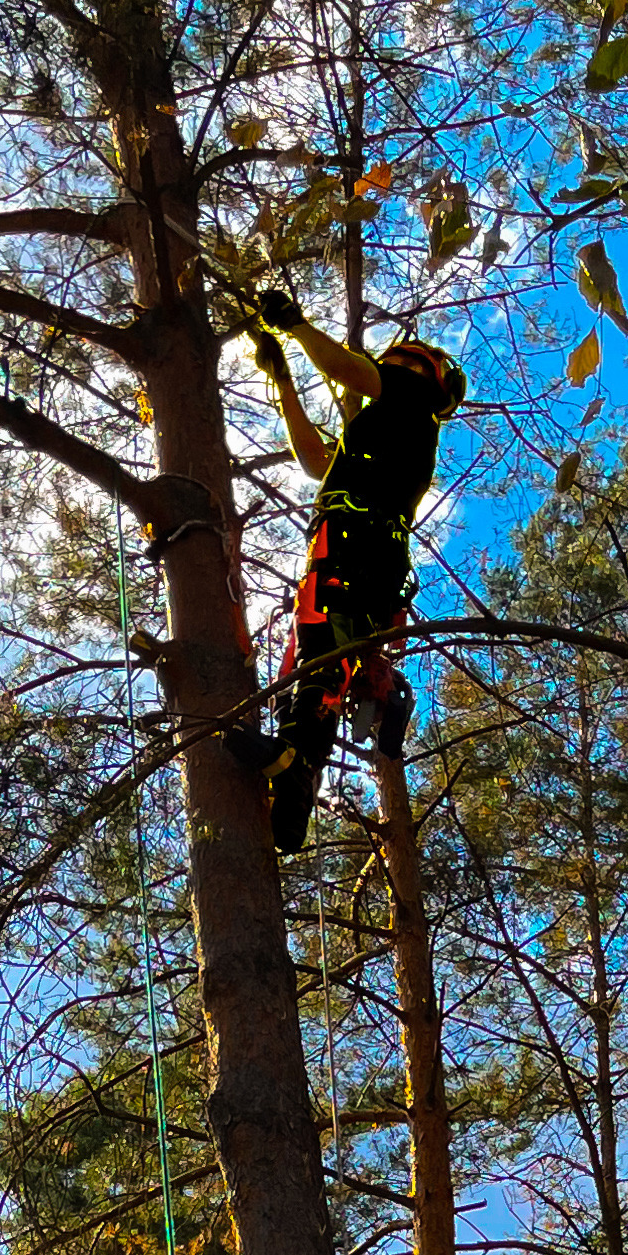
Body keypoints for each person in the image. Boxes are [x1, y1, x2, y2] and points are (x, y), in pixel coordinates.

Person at [225, 288, 466, 854]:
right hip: (362, 552)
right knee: (319, 659)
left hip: (360, 547)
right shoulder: (385, 430)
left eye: (404, 362)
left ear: (425, 374)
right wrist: (280, 372)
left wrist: (296, 326)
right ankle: (292, 795)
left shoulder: (412, 404)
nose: (395, 365)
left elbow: (343, 368)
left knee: (321, 651)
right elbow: (314, 459)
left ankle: (294, 766)